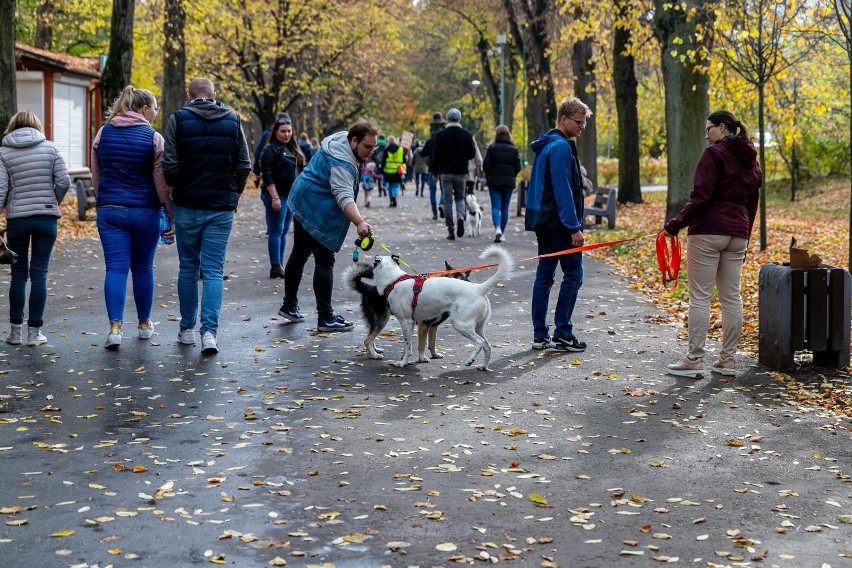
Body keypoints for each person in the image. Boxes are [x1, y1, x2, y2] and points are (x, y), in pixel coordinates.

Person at [663, 110, 761, 378]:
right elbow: (752, 204)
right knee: (732, 298)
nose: (706, 135)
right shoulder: (751, 161)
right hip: (737, 233)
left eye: (709, 129)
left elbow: (701, 196)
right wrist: (746, 235)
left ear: (722, 127)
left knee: (700, 297)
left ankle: (694, 360)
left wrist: (674, 225)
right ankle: (727, 360)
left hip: (708, 231)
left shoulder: (714, 154)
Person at [163, 77, 251, 355]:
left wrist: (177, 189)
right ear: (215, 94)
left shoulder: (178, 119)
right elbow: (244, 165)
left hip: (188, 204)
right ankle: (209, 333)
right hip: (220, 206)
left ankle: (187, 329)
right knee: (213, 270)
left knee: (188, 267)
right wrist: (233, 195)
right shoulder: (233, 120)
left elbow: (170, 163)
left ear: (189, 96)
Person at [91, 86, 175, 349]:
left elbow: (97, 175)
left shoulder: (103, 133)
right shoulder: (153, 138)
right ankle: (144, 323)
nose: (157, 112)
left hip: (110, 210)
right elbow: (161, 183)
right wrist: (170, 214)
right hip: (145, 211)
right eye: (155, 108)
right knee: (142, 268)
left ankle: (115, 328)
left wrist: (104, 198)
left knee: (115, 268)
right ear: (144, 109)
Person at [277, 121, 375, 332]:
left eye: (373, 147)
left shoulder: (340, 140)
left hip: (301, 197)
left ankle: (289, 305)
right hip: (313, 207)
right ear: (354, 140)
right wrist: (359, 222)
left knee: (300, 252)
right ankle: (326, 318)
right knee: (324, 260)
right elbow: (343, 196)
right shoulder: (342, 163)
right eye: (367, 147)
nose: (370, 152)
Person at [526, 97, 591, 352]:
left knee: (544, 276)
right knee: (574, 275)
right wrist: (573, 227)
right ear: (563, 119)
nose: (582, 127)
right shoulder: (561, 147)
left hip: (543, 221)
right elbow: (564, 190)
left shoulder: (546, 145)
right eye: (578, 122)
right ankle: (563, 332)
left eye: (584, 123)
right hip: (559, 223)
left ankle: (540, 334)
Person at [0, 110, 70, 346]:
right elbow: (64, 181)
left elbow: (1, 190)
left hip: (17, 219)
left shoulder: (3, 152)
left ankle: (15, 333)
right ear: (37, 126)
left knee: (18, 274)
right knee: (40, 273)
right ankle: (34, 334)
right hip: (46, 218)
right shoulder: (50, 148)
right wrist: (52, 202)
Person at [260, 114, 307, 279]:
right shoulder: (270, 149)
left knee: (284, 231)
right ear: (276, 131)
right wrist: (274, 197)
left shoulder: (293, 148)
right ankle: (276, 265)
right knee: (276, 230)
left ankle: (279, 264)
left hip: (291, 196)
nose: (286, 134)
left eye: (289, 131)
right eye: (283, 131)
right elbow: (267, 174)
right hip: (276, 195)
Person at [430, 108, 476, 240]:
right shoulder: (466, 134)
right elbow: (471, 154)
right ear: (459, 118)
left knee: (448, 200)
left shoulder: (441, 134)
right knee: (460, 198)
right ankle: (461, 218)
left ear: (448, 119)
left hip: (445, 172)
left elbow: (436, 155)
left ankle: (451, 229)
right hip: (461, 172)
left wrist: (435, 171)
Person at [483, 125, 522, 243]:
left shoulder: (491, 148)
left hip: (494, 181)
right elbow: (518, 167)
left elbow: (486, 165)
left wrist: (490, 174)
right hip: (508, 182)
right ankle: (503, 233)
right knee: (505, 207)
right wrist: (512, 175)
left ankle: (498, 229)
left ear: (497, 134)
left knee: (495, 206)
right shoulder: (514, 150)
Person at [421, 111, 446, 220]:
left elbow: (423, 153)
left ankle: (435, 213)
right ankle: (442, 203)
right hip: (444, 168)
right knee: (444, 189)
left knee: (432, 190)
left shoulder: (430, 141)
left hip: (432, 168)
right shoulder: (445, 138)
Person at [380, 135, 405, 207]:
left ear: (388, 141)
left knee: (390, 186)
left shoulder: (386, 149)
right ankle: (394, 196)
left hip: (388, 171)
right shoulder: (400, 149)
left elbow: (383, 161)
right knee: (396, 185)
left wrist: (381, 170)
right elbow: (404, 160)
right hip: (398, 171)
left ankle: (391, 199)